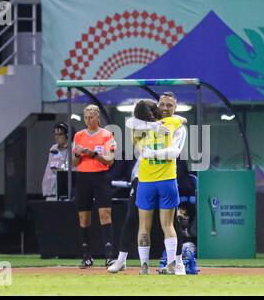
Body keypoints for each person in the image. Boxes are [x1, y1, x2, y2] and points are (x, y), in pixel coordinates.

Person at [107, 97, 188, 275]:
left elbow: (130, 122)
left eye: (169, 105)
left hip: (147, 179)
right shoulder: (171, 123)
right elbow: (180, 123)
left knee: (147, 225)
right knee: (165, 224)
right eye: (162, 105)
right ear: (156, 109)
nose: (165, 108)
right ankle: (173, 263)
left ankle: (152, 265)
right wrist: (158, 125)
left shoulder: (137, 129)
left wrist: (150, 148)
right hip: (157, 178)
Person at [72, 105, 117, 268]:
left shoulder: (106, 135)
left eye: (91, 117)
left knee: (105, 214)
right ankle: (86, 255)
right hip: (83, 177)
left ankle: (110, 255)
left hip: (101, 177)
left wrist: (92, 153)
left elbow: (109, 159)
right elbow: (75, 162)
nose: (88, 120)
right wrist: (77, 154)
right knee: (84, 217)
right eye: (86, 117)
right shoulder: (78, 135)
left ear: (98, 117)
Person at [42, 122, 72, 201]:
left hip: (66, 193)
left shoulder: (73, 149)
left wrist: (62, 172)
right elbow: (48, 169)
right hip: (50, 191)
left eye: (60, 134)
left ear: (67, 135)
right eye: (55, 134)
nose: (57, 137)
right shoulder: (53, 149)